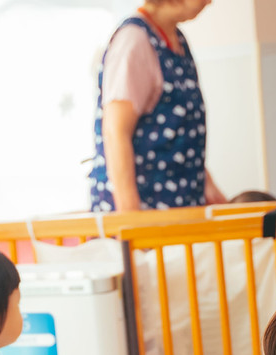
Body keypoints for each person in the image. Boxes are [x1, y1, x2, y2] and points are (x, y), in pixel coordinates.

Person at [88, 0, 227, 212]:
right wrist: (130, 218)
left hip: (181, 205)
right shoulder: (133, 40)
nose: (210, 1)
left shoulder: (176, 39)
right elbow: (115, 132)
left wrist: (204, 180)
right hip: (146, 208)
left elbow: (176, 134)